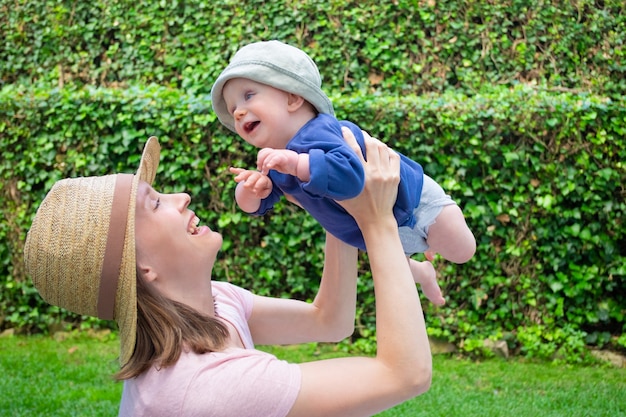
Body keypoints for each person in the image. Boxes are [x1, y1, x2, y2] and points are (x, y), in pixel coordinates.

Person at [24, 131, 432, 416]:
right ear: (141, 267)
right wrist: (376, 221)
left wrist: (333, 199)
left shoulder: (213, 303)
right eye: (154, 204)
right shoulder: (205, 386)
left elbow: (330, 320)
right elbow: (404, 375)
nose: (181, 197)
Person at [210, 40, 476, 306]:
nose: (239, 112)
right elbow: (254, 207)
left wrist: (295, 164)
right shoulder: (278, 159)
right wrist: (251, 187)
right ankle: (423, 272)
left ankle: (438, 235)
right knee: (390, 264)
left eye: (248, 96)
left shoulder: (320, 131)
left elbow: (349, 178)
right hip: (377, 231)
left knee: (462, 250)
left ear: (292, 97)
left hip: (417, 204)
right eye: (233, 109)